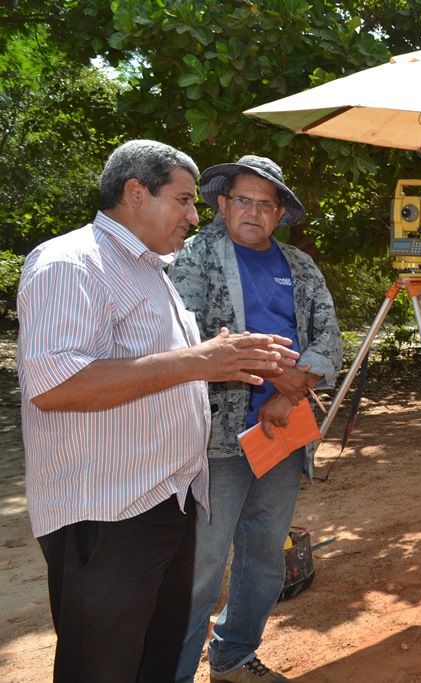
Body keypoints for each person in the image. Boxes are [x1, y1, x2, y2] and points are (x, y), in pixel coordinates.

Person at [16, 140, 298, 682]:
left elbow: (161, 363)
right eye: (186, 200)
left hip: (166, 500)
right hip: (105, 510)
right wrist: (198, 361)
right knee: (103, 665)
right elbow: (55, 383)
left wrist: (215, 355)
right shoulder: (71, 263)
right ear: (135, 193)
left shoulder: (149, 269)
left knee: (153, 657)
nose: (195, 216)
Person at [169, 156, 343, 683]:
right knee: (200, 567)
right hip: (212, 439)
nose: (253, 212)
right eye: (243, 199)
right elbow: (180, 345)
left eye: (266, 204)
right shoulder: (190, 258)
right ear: (221, 204)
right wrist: (274, 370)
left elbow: (329, 339)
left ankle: (234, 654)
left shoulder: (299, 265)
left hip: (281, 434)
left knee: (265, 556)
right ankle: (173, 670)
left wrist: (291, 392)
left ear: (279, 212)